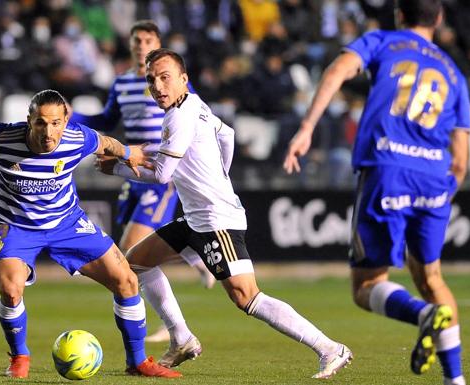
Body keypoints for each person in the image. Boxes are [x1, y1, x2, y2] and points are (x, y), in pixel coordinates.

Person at [97, 48, 353, 379]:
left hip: (216, 220)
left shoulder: (179, 116)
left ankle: (331, 348)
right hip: (196, 217)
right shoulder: (194, 106)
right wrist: (219, 174)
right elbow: (226, 135)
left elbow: (161, 175)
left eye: (165, 77)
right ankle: (182, 339)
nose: (157, 86)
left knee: (247, 297)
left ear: (183, 79)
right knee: (136, 262)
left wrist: (119, 166)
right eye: (151, 79)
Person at [0, 89, 182, 379]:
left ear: (65, 122)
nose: (48, 132)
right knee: (11, 290)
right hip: (15, 225)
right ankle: (19, 357)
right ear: (29, 121)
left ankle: (137, 362)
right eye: (40, 123)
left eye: (55, 123)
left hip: (67, 224)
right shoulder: (0, 137)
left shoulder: (78, 137)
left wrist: (129, 153)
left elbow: (106, 143)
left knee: (126, 280)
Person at [283, 1, 469, 384]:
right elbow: (462, 162)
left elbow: (338, 70)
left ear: (400, 14)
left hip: (388, 169)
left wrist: (307, 127)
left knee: (367, 284)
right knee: (432, 279)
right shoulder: (453, 72)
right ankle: (456, 380)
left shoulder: (382, 41)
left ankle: (422, 316)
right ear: (439, 19)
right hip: (435, 180)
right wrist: (438, 194)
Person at [69, 20, 215, 343]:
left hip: (161, 173)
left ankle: (173, 325)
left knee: (131, 252)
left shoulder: (173, 84)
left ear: (157, 43)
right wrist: (72, 115)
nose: (140, 45)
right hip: (131, 172)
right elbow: (107, 121)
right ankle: (195, 252)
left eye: (147, 39)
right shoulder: (122, 84)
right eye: (136, 40)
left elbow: (200, 117)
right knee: (133, 253)